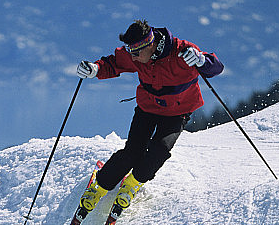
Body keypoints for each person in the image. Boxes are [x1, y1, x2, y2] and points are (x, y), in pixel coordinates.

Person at [76, 19, 224, 211]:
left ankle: (132, 184)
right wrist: (95, 69)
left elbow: (216, 67)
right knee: (133, 152)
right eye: (130, 52)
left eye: (136, 53)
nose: (133, 57)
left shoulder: (182, 52)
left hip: (177, 113)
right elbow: (113, 63)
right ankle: (100, 185)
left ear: (151, 44)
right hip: (147, 109)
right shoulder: (136, 52)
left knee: (160, 150)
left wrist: (202, 61)